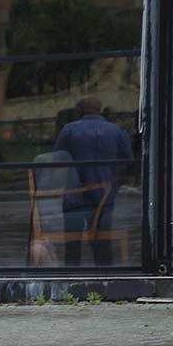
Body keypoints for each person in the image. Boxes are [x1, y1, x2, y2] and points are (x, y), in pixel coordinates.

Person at [54, 95, 133, 266]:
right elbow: (127, 161)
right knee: (102, 239)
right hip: (105, 194)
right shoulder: (116, 130)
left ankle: (72, 274)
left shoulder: (69, 129)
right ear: (99, 109)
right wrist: (115, 182)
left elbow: (58, 160)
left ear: (80, 110)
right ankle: (104, 272)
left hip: (74, 194)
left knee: (72, 241)